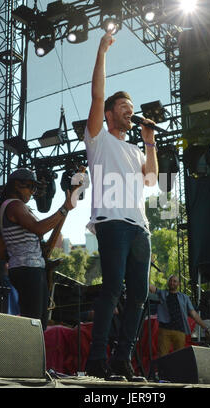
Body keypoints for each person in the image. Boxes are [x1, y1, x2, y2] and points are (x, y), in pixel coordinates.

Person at [83, 31, 158, 381]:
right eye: (124, 108)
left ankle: (121, 359)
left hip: (139, 227)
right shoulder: (97, 139)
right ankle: (97, 358)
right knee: (113, 287)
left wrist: (150, 144)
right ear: (110, 115)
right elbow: (98, 93)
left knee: (139, 295)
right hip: (111, 221)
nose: (131, 112)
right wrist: (101, 51)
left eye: (132, 108)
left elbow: (151, 180)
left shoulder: (134, 149)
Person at [0, 168, 76, 331]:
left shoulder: (9, 207)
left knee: (39, 323)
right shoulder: (14, 205)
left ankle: (35, 355)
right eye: (31, 187)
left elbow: (1, 251)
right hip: (28, 270)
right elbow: (38, 228)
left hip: (26, 269)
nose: (33, 192)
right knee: (34, 324)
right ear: (18, 185)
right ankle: (28, 356)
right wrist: (64, 209)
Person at [149, 275, 209, 357]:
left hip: (180, 331)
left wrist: (205, 327)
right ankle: (163, 370)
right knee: (162, 356)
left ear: (179, 284)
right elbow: (151, 287)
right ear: (168, 282)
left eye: (175, 281)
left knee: (179, 357)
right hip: (165, 330)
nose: (172, 283)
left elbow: (193, 314)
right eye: (170, 281)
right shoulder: (162, 293)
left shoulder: (184, 297)